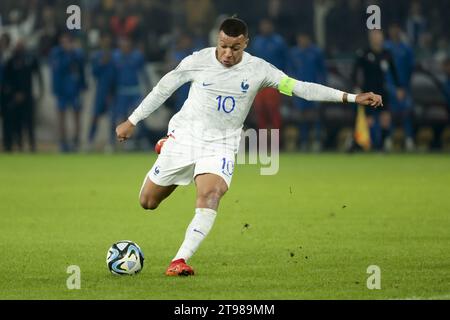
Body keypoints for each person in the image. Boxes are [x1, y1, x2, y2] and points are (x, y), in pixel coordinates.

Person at [115, 17, 382, 276]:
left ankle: (179, 260)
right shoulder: (197, 61)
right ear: (217, 40)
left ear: (246, 44)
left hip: (221, 144)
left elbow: (300, 88)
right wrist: (132, 120)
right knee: (148, 202)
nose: (227, 53)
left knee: (211, 194)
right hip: (186, 137)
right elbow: (163, 89)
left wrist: (350, 97)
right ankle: (168, 147)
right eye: (223, 45)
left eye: (235, 47)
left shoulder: (259, 70)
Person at [352, 29, 403, 151]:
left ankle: (383, 145)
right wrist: (356, 86)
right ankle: (364, 145)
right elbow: (354, 72)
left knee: (385, 118)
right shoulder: (364, 53)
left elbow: (394, 72)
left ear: (382, 38)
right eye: (374, 36)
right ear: (370, 38)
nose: (376, 38)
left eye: (378, 36)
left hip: (382, 91)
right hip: (367, 91)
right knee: (368, 120)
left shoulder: (386, 54)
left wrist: (399, 87)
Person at [287, 33, 327, 151]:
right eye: (300, 38)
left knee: (315, 115)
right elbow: (290, 71)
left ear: (308, 39)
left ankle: (317, 141)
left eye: (304, 38)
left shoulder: (316, 52)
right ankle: (303, 141)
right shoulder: (293, 53)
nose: (302, 40)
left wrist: (322, 87)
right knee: (301, 116)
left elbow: (322, 71)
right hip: (299, 89)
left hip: (314, 89)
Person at [1, 40, 42, 152]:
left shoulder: (30, 60)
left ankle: (32, 145)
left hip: (28, 96)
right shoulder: (10, 61)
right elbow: (7, 80)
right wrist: (13, 94)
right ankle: (16, 145)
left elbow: (36, 77)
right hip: (13, 98)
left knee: (29, 123)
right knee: (16, 123)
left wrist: (37, 93)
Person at [49, 33, 86, 152]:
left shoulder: (77, 53)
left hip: (75, 90)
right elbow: (58, 69)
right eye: (63, 42)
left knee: (77, 116)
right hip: (62, 90)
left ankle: (76, 141)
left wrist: (83, 86)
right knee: (61, 116)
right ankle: (62, 142)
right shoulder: (56, 53)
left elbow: (82, 68)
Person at [249, 18, 287, 131]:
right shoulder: (256, 41)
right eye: (263, 25)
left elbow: (286, 61)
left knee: (273, 111)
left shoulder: (279, 42)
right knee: (260, 111)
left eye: (267, 25)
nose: (265, 27)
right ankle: (263, 144)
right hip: (259, 82)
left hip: (274, 81)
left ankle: (276, 144)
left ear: (272, 26)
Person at [384, 23, 415, 151]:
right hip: (388, 88)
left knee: (406, 112)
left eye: (396, 28)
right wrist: (391, 88)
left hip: (403, 88)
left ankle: (409, 139)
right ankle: (387, 139)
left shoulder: (406, 49)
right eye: (392, 28)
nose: (394, 31)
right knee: (387, 112)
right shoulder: (385, 48)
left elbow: (410, 69)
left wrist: (403, 87)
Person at [87, 34, 116, 149]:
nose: (106, 44)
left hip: (111, 92)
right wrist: (101, 63)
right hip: (100, 92)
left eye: (108, 42)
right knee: (95, 116)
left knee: (112, 119)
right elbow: (94, 73)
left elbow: (116, 75)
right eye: (104, 41)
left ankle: (111, 143)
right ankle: (90, 141)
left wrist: (113, 91)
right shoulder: (96, 57)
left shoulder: (115, 56)